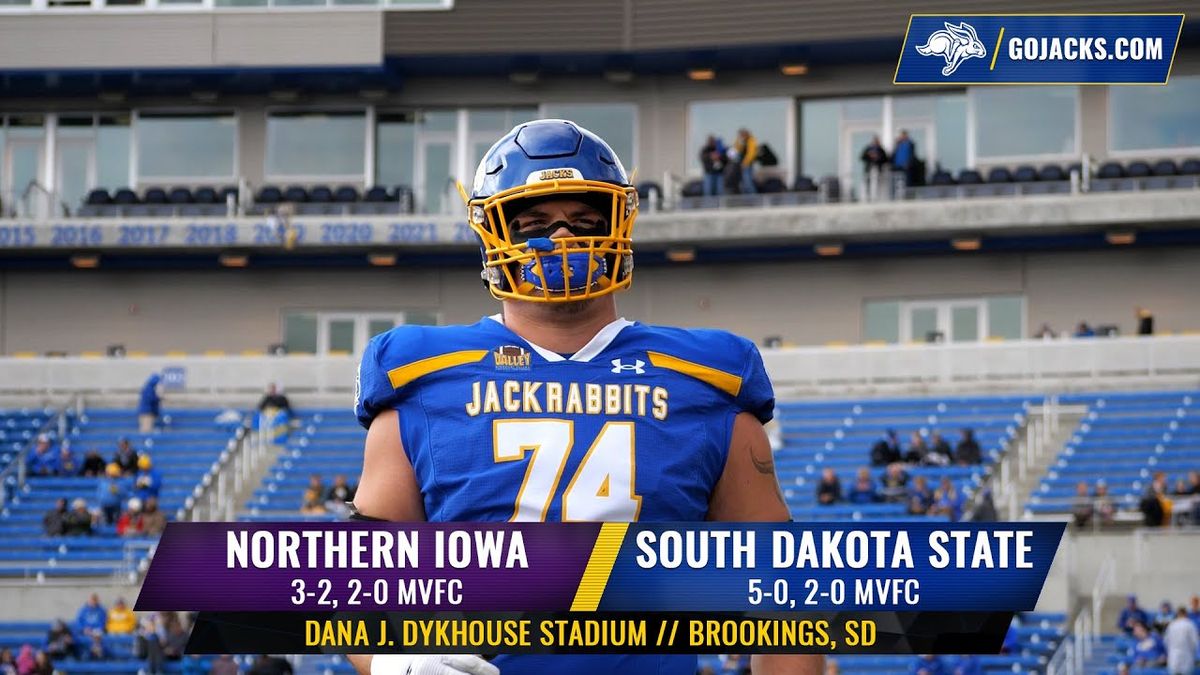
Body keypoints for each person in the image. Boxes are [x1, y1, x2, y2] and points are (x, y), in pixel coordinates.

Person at [347, 119, 821, 675]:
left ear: (620, 225)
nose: (565, 238)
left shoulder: (704, 378)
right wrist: (396, 662)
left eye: (586, 220)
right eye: (534, 224)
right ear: (492, 234)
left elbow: (779, 591)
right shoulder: (424, 375)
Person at [1164, 606, 1199, 674]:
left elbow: (1166, 641)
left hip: (1173, 655)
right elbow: (1195, 641)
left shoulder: (1172, 625)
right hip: (1186, 654)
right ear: (1186, 614)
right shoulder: (1190, 625)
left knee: (1174, 671)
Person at [860, 136, 888, 201]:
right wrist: (869, 155)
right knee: (868, 183)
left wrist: (878, 157)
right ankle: (868, 197)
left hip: (878, 169)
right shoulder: (868, 149)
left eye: (877, 141)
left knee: (878, 183)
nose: (875, 143)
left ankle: (878, 197)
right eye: (874, 141)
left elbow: (885, 159)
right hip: (868, 169)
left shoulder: (881, 150)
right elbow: (862, 157)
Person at [734, 128, 758, 194]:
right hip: (741, 165)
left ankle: (753, 199)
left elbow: (751, 153)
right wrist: (738, 141)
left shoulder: (751, 140)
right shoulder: (743, 142)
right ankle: (746, 200)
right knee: (742, 184)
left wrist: (745, 163)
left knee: (748, 183)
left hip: (747, 165)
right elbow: (736, 150)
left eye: (742, 134)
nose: (741, 136)